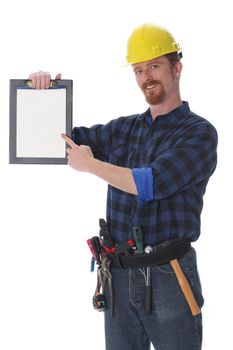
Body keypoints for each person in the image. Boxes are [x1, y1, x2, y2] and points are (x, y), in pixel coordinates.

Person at [29, 23, 218, 350]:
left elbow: (151, 182)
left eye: (155, 65)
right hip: (116, 272)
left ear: (177, 68)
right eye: (139, 69)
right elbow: (57, 142)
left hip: (168, 276)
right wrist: (42, 95)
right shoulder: (125, 129)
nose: (147, 76)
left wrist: (91, 165)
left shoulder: (198, 134)